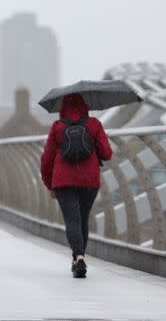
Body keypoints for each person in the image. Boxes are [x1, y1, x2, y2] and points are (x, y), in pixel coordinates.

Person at [40, 94, 112, 278]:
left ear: (63, 107)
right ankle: (79, 257)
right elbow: (107, 154)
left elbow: (47, 160)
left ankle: (78, 257)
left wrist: (50, 185)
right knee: (82, 220)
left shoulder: (57, 126)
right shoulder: (94, 124)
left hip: (63, 181)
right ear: (85, 105)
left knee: (72, 220)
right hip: (89, 180)